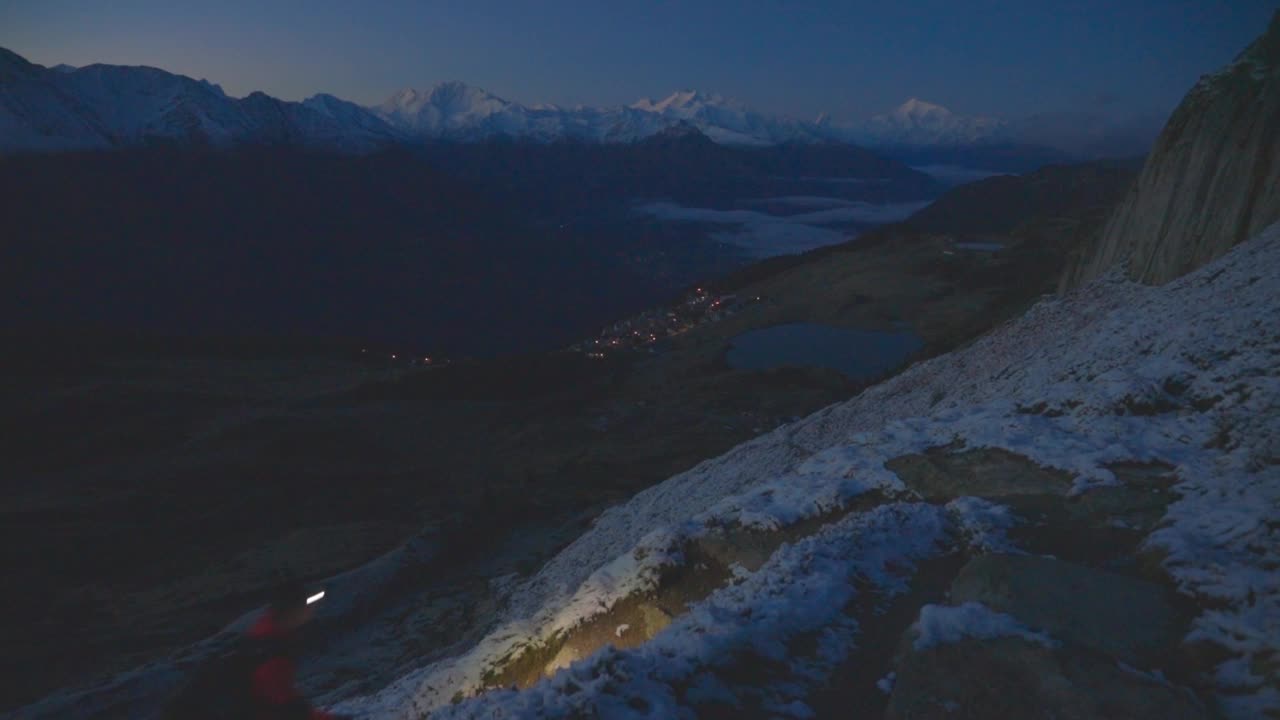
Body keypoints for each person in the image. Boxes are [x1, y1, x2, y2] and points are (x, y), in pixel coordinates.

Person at [246, 581, 342, 720]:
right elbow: (283, 706)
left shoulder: (267, 636)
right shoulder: (271, 649)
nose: (310, 612)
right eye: (305, 607)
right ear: (292, 610)